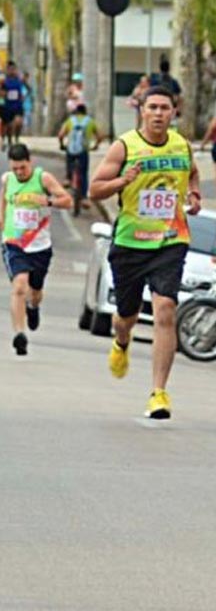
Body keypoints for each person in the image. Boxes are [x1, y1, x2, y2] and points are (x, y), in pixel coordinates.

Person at [89, 85, 201, 420]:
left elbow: (192, 173)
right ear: (141, 110)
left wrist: (194, 195)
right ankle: (121, 341)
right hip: (130, 243)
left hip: (170, 239)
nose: (158, 113)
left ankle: (159, 393)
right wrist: (122, 182)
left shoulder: (181, 146)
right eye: (152, 107)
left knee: (165, 308)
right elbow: (94, 189)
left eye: (164, 108)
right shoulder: (125, 147)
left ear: (173, 112)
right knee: (127, 316)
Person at [0, 144, 72, 356]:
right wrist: (0, 215)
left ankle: (33, 307)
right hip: (14, 242)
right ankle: (20, 334)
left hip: (39, 245)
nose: (19, 173)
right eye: (15, 168)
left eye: (23, 168)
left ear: (30, 163)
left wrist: (47, 200)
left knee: (34, 291)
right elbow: (4, 195)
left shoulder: (42, 179)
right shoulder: (7, 179)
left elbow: (67, 201)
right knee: (19, 286)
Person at [57, 104, 102, 212]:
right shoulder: (90, 121)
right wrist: (95, 145)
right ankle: (85, 198)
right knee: (83, 173)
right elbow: (100, 136)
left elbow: (61, 135)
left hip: (71, 150)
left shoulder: (70, 120)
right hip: (83, 151)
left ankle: (68, 178)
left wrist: (61, 144)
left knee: (69, 165)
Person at [0, 62, 25, 150]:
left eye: (13, 69)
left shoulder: (19, 80)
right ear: (7, 70)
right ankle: (5, 140)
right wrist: (3, 93)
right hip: (6, 105)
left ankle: (16, 139)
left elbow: (23, 91)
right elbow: (0, 93)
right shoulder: (3, 81)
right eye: (10, 69)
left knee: (18, 123)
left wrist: (22, 96)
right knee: (7, 125)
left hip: (17, 105)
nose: (12, 71)